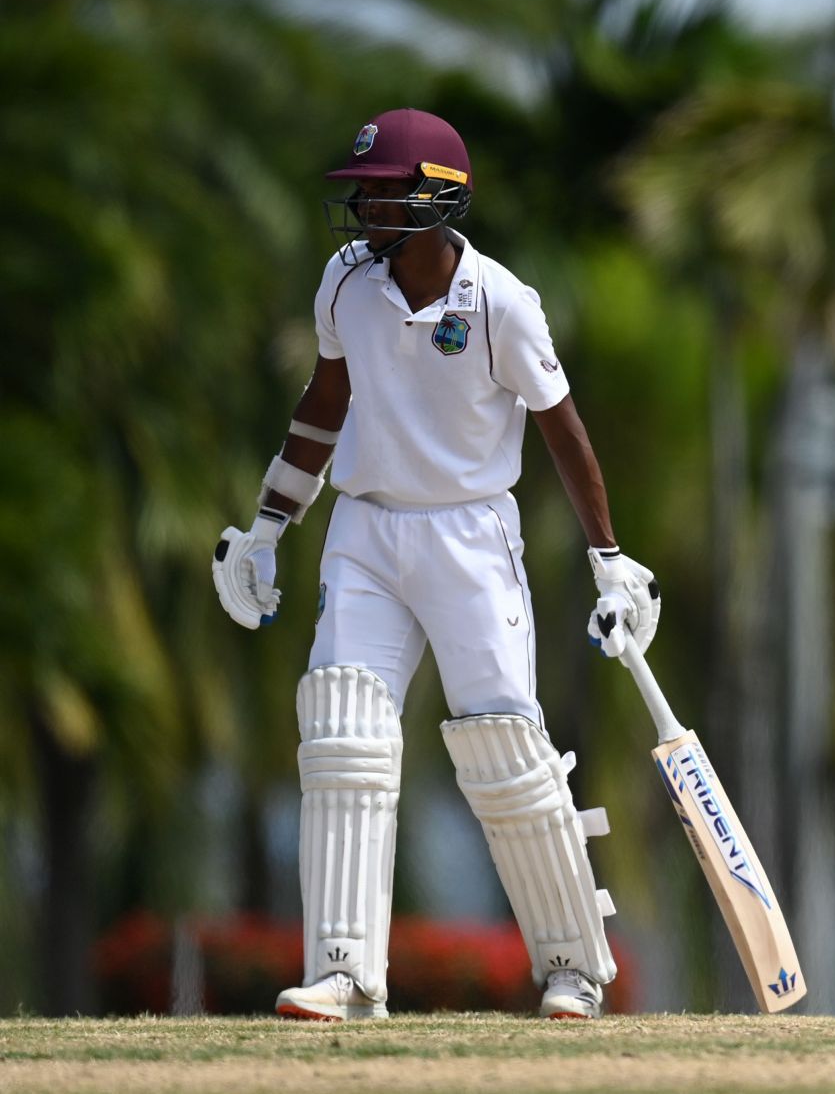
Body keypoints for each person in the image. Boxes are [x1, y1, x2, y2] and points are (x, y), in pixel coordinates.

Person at [211, 108, 659, 1020]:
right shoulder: (345, 283)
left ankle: (574, 965)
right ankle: (346, 972)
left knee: (506, 746)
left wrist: (610, 559)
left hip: (470, 537)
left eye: (383, 191)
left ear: (437, 197)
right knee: (343, 730)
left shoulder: (501, 301)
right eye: (362, 192)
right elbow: (324, 401)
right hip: (366, 531)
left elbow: (565, 434)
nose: (366, 207)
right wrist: (266, 526)